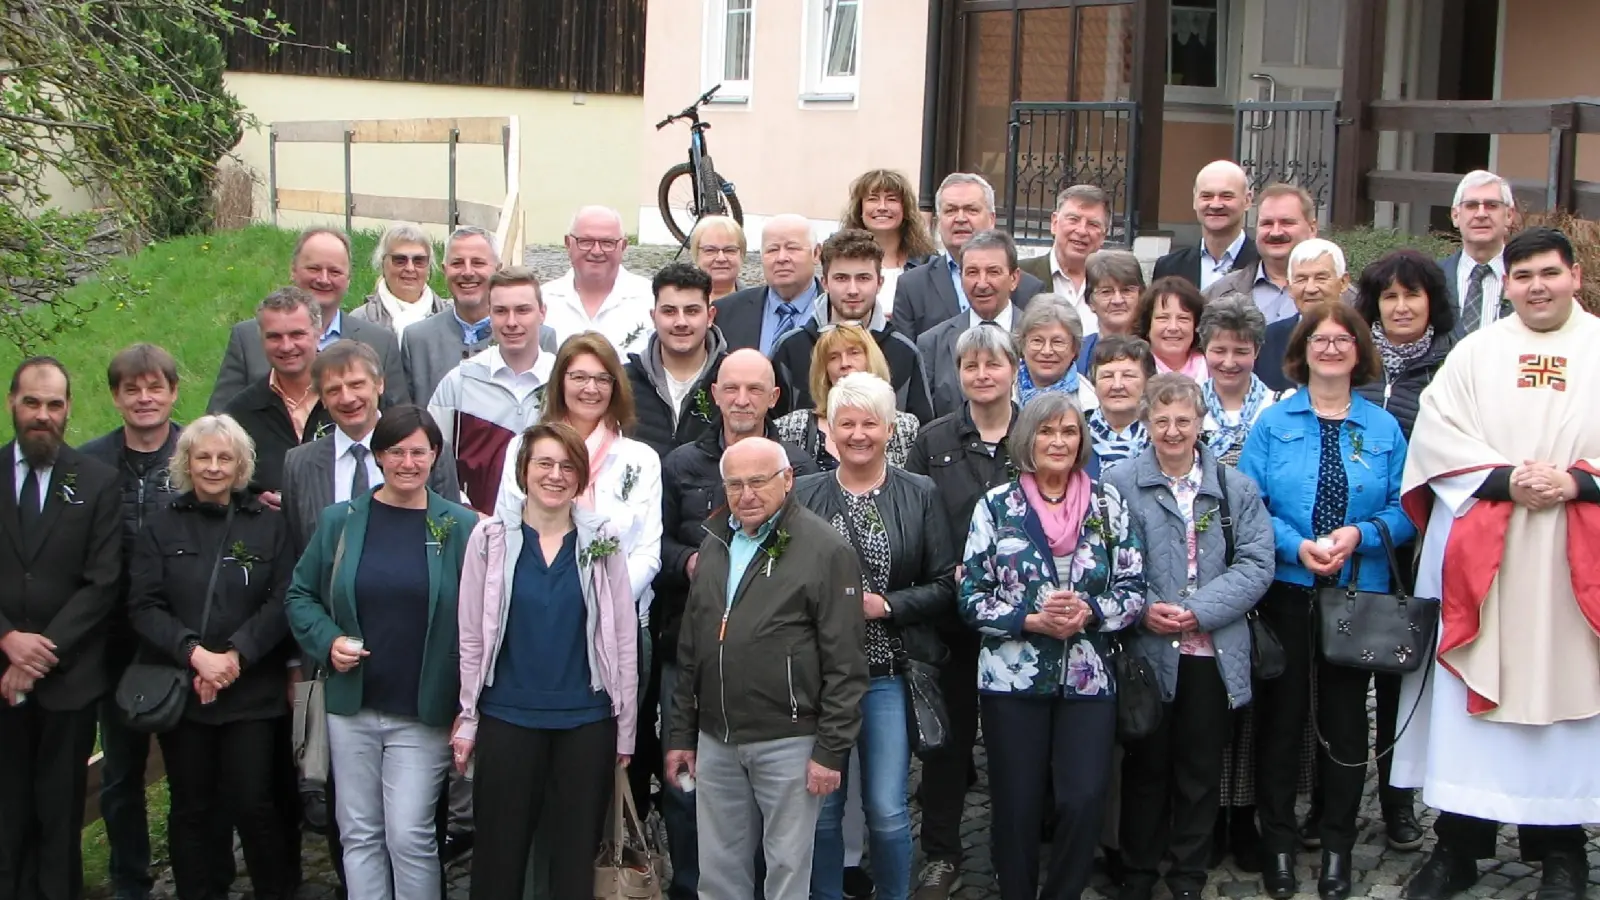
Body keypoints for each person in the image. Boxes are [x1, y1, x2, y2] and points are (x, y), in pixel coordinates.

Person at [1395, 227, 1600, 900]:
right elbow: (1435, 437)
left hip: (1574, 561)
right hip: (1490, 555)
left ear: (1575, 274)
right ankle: (1458, 846)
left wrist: (1577, 483)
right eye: (1524, 276)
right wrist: (1506, 480)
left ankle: (1563, 852)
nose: (1537, 286)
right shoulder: (1476, 354)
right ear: (1505, 283)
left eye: (1549, 272)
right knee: (1472, 701)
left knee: (1571, 705)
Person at [1237, 302, 1414, 900]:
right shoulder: (1273, 422)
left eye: (1343, 339)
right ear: (1303, 350)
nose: (1332, 348)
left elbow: (1404, 509)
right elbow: (1250, 503)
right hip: (1287, 590)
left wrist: (1357, 536)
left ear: (1359, 352)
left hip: (1357, 594)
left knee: (1344, 726)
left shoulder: (1383, 427)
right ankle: (1279, 844)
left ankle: (1337, 845)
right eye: (1321, 339)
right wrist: (1298, 544)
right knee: (1282, 722)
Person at [284, 406, 478, 900]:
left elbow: (482, 615)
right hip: (352, 705)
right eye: (396, 451)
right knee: (359, 833)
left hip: (422, 708)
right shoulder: (341, 522)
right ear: (378, 456)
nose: (407, 462)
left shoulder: (460, 527)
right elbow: (299, 594)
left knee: (410, 834)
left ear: (436, 456)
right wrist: (327, 640)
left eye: (419, 451)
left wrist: (470, 702)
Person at [959, 390, 1146, 900]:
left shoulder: (1108, 505)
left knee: (1084, 798)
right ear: (1027, 439)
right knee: (1016, 803)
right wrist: (1030, 620)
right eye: (1047, 431)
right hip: (1011, 676)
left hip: (1089, 674)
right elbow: (971, 596)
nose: (1058, 441)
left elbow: (1132, 589)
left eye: (1069, 431)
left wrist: (1091, 611)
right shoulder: (997, 507)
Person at [663, 437, 868, 900]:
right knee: (718, 875)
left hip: (789, 739)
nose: (746, 494)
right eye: (734, 484)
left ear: (788, 480)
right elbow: (693, 645)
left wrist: (830, 751)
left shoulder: (825, 550)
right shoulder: (715, 539)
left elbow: (846, 663)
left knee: (787, 873)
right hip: (717, 739)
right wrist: (681, 734)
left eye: (758, 481)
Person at [654, 349, 818, 899]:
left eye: (755, 389)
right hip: (692, 644)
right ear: (715, 394)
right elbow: (659, 544)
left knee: (776, 811)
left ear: (774, 398)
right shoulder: (681, 464)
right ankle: (688, 885)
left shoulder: (799, 464)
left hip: (779, 670)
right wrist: (690, 562)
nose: (742, 400)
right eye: (731, 388)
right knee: (689, 787)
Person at [1105, 374, 1275, 900]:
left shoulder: (1234, 487)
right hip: (1147, 651)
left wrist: (1198, 611)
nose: (1173, 431)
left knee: (1200, 771)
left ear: (1201, 423)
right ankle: (1137, 871)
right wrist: (1144, 609)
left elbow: (1256, 564)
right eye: (1161, 421)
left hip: (1212, 651)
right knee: (1145, 768)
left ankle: (1187, 877)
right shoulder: (1118, 482)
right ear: (1146, 424)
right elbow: (1109, 562)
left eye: (1183, 420)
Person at [454, 422, 638, 900]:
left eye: (567, 466)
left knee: (574, 859)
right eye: (544, 463)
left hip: (585, 720)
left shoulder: (604, 540)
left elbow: (621, 638)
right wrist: (469, 718)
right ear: (523, 471)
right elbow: (472, 636)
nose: (555, 475)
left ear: (580, 476)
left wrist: (625, 727)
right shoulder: (489, 539)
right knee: (498, 856)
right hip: (507, 716)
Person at [793, 374, 956, 900]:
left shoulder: (920, 493)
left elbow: (945, 584)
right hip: (821, 678)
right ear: (829, 432)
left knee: (886, 810)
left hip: (889, 673)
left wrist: (885, 606)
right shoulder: (804, 495)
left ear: (889, 429)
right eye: (847, 423)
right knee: (822, 811)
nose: (858, 434)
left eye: (869, 423)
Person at [127, 414, 295, 900]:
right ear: (186, 462)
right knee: (192, 808)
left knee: (254, 802)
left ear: (241, 464)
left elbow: (283, 597)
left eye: (225, 457)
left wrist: (235, 656)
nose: (215, 467)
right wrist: (195, 655)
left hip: (252, 691)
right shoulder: (160, 528)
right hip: (186, 692)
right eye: (204, 457)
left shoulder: (270, 525)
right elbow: (144, 604)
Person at [903, 324, 1019, 899]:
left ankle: (1012, 853)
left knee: (1012, 743)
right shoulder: (932, 438)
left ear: (1013, 369)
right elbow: (920, 514)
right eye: (970, 366)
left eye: (992, 364)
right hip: (950, 613)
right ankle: (943, 853)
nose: (981, 375)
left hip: (1022, 621)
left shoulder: (1037, 431)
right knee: (946, 744)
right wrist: (951, 566)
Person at [0, 357, 121, 900]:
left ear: (68, 408)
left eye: (54, 404)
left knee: (59, 811)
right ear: (12, 404)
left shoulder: (96, 482)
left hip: (68, 681)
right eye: (32, 403)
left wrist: (38, 655)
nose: (42, 415)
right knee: (6, 814)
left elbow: (102, 581)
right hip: (0, 673)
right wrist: (8, 641)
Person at [80, 344, 184, 900]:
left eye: (155, 387)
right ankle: (130, 878)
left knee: (192, 771)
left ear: (172, 391)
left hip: (183, 634)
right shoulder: (89, 463)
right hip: (113, 639)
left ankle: (197, 871)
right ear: (116, 396)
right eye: (132, 389)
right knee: (121, 772)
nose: (144, 399)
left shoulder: (198, 452)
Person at [495, 332, 663, 626]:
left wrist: (603, 604)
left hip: (618, 618)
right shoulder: (522, 448)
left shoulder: (640, 459)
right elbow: (505, 530)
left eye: (602, 379)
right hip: (535, 613)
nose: (591, 389)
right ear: (560, 381)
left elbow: (647, 553)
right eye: (579, 377)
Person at [282, 340, 461, 553]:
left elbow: (452, 537)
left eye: (356, 384)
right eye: (334, 390)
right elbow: (294, 549)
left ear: (379, 384)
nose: (347, 398)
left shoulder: (430, 452)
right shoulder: (300, 464)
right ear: (322, 399)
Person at [208, 228, 407, 412]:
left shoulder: (381, 344)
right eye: (313, 269)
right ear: (293, 271)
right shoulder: (247, 338)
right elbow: (220, 418)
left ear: (348, 279)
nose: (323, 279)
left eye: (335, 271)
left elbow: (399, 424)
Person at [770, 228, 933, 422]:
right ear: (825, 283)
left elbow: (922, 432)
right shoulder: (790, 348)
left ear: (880, 283)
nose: (853, 290)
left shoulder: (904, 352)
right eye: (841, 278)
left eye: (863, 278)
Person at [428, 267, 555, 512]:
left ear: (542, 313)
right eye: (500, 311)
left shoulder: (562, 381)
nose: (511, 322)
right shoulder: (460, 382)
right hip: (476, 530)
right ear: (489, 314)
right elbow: (433, 460)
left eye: (522, 310)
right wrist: (466, 513)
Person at [400, 226, 557, 411]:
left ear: (498, 269)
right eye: (457, 263)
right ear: (445, 270)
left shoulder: (539, 336)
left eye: (478, 263)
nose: (467, 272)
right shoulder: (418, 340)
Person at [894, 173, 1044, 339]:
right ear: (937, 222)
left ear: (991, 219)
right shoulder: (912, 286)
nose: (960, 219)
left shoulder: (1030, 288)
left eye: (971, 210)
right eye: (950, 210)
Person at [224, 287, 335, 506]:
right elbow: (227, 484)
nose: (286, 346)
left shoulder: (353, 401)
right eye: (274, 337)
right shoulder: (242, 412)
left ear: (319, 331)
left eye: (297, 334)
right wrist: (253, 502)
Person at [919, 229, 1035, 419]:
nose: (982, 283)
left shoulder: (1037, 338)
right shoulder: (932, 343)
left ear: (1014, 279)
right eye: (972, 272)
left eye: (993, 272)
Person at [774, 326, 920, 471]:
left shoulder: (905, 426)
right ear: (824, 371)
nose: (844, 363)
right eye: (833, 357)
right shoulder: (793, 426)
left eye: (854, 353)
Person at [624, 263, 728, 459]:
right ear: (653, 317)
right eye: (669, 311)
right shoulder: (623, 382)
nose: (681, 322)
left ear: (710, 316)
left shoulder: (733, 381)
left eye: (692, 311)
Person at [541, 206, 655, 358]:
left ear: (624, 246)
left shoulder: (650, 298)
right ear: (568, 244)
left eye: (607, 243)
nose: (596, 251)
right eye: (586, 241)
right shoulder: (543, 300)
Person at [1203, 184, 1319, 325]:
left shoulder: (1345, 297)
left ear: (1312, 229)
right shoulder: (1219, 293)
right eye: (1267, 223)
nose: (1276, 232)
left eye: (1287, 223)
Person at [1255, 238, 1356, 391]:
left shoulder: (1361, 338)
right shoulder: (1266, 339)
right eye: (1301, 279)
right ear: (1289, 287)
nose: (1310, 288)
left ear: (1343, 283)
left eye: (1321, 278)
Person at [712, 215, 821, 354]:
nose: (781, 258)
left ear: (816, 253)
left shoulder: (835, 313)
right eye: (772, 250)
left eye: (792, 248)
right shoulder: (725, 312)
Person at [1198, 297, 1287, 466]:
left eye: (1240, 352)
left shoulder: (1278, 406)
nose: (1229, 362)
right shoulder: (1189, 405)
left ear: (1257, 350)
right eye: (1219, 351)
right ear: (1204, 348)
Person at [839, 168, 938, 315]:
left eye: (891, 199)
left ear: (905, 209)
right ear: (859, 208)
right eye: (873, 199)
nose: (882, 207)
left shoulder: (928, 264)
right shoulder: (839, 258)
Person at [1153, 161, 1260, 291]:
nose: (1215, 205)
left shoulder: (1263, 265)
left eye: (1226, 196)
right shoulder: (1168, 267)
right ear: (1195, 200)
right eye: (1206, 196)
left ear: (1247, 200)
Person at [1018, 184, 1111, 331]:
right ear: (1054, 223)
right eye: (1073, 219)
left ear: (1103, 236)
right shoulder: (1020, 276)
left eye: (1093, 224)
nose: (1081, 231)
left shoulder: (1114, 286)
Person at [1438, 170, 1515, 336]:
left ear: (1509, 215)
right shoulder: (1434, 277)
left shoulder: (1525, 279)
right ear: (1455, 216)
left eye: (1492, 205)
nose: (1481, 214)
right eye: (1471, 205)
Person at [348, 222, 448, 337]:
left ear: (429, 267)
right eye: (399, 260)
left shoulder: (451, 316)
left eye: (419, 260)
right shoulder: (359, 322)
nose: (410, 268)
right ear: (383, 264)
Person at [1014, 294, 1098, 410]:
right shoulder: (1002, 391)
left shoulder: (1090, 404)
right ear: (1022, 344)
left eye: (1057, 342)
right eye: (1037, 341)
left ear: (1074, 348)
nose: (1046, 351)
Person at [1086, 335, 1156, 468]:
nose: (1117, 385)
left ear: (1148, 382)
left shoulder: (1164, 435)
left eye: (1128, 376)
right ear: (1094, 383)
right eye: (1107, 376)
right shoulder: (1075, 433)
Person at [1075, 250, 1146, 376]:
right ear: (1090, 302)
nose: (1117, 300)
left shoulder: (1155, 349)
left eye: (1126, 291)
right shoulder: (1078, 353)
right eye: (1106, 292)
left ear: (1141, 296)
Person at [1135, 277, 1209, 380]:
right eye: (1163, 318)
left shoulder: (1212, 367)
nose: (1173, 327)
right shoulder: (1134, 369)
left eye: (1183, 318)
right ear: (1148, 325)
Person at [689, 215, 747, 302]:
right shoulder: (677, 302)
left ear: (741, 254)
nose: (721, 258)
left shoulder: (759, 306)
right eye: (710, 250)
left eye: (729, 250)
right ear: (696, 254)